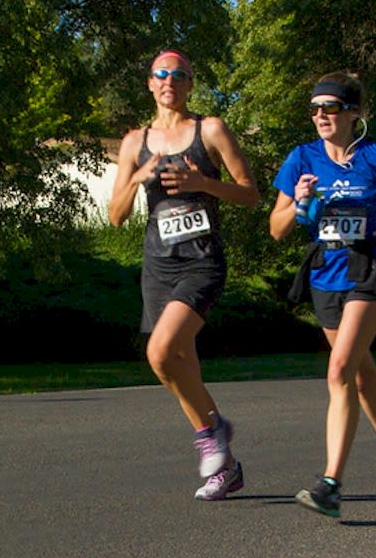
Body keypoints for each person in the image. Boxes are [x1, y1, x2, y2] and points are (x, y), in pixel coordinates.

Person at [268, 71, 376, 520]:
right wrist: (298, 200)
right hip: (326, 278)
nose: (321, 116)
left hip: (371, 272)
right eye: (314, 109)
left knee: (339, 370)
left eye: (331, 107)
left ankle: (330, 485)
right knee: (362, 380)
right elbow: (277, 228)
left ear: (353, 113)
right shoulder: (301, 159)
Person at [107, 50, 260, 501]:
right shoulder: (135, 142)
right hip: (159, 266)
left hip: (201, 261)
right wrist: (138, 176)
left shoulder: (209, 130)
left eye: (178, 74)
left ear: (190, 84)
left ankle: (212, 431)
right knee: (178, 365)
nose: (168, 80)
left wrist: (202, 184)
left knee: (159, 353)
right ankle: (224, 465)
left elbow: (250, 195)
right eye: (160, 73)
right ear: (149, 84)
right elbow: (116, 216)